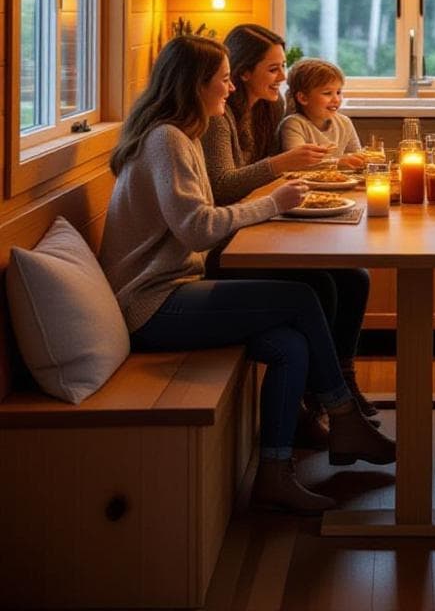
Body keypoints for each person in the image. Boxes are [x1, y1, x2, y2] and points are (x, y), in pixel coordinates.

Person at [99, 35, 395, 517]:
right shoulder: (167, 140)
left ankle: (275, 473)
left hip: (175, 288)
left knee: (291, 344)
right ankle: (343, 415)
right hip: (150, 303)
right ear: (195, 84)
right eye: (221, 78)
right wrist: (272, 204)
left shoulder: (182, 133)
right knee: (302, 296)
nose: (229, 85)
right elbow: (197, 229)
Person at [201, 26, 377, 427]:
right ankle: (324, 396)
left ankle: (340, 383)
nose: (283, 77)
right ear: (244, 72)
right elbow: (223, 185)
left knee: (355, 278)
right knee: (322, 284)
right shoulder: (219, 117)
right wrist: (282, 165)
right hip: (226, 243)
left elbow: (264, 180)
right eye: (275, 69)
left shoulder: (266, 107)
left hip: (256, 225)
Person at [279, 57, 363, 168]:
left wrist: (363, 160)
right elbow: (298, 163)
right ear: (303, 98)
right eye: (327, 93)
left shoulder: (344, 122)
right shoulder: (293, 124)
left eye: (338, 92)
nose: (336, 99)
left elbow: (356, 156)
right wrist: (337, 163)